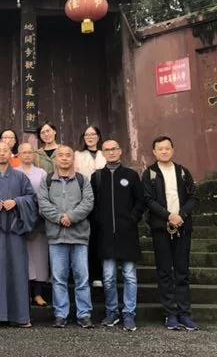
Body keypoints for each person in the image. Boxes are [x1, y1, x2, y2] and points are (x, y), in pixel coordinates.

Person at [0, 141, 38, 328]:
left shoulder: (20, 177)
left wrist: (17, 202)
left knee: (17, 270)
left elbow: (32, 199)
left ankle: (20, 316)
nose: (2, 154)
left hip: (14, 230)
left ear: (11, 154)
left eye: (5, 150)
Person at [142, 135, 199, 331]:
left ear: (173, 150)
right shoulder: (150, 173)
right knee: (165, 271)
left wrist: (181, 215)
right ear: (154, 152)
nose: (164, 151)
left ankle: (184, 313)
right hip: (161, 228)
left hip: (183, 226)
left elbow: (193, 197)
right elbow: (148, 199)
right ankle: (170, 314)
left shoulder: (183, 172)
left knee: (182, 271)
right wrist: (168, 216)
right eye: (160, 149)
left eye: (167, 148)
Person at [36, 145, 94, 328]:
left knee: (82, 278)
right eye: (60, 155)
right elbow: (43, 204)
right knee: (59, 278)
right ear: (56, 159)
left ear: (73, 158)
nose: (64, 158)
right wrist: (60, 218)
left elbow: (88, 202)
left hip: (79, 236)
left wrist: (72, 217)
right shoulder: (47, 181)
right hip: (56, 236)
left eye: (68, 155)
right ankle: (61, 314)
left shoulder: (82, 180)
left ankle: (84, 314)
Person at [91, 139, 144, 332]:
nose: (111, 152)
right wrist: (100, 221)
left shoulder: (131, 175)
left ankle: (129, 313)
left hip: (127, 233)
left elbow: (140, 201)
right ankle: (112, 311)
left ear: (120, 151)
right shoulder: (97, 176)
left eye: (114, 149)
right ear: (103, 153)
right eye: (107, 149)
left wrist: (132, 219)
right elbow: (92, 203)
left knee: (130, 276)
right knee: (108, 277)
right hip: (106, 235)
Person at [15, 142, 50, 307]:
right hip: (19, 221)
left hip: (38, 220)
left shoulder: (42, 173)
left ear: (34, 155)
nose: (27, 155)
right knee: (24, 258)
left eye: (30, 152)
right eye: (24, 152)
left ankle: (38, 293)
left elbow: (45, 196)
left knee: (39, 258)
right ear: (18, 155)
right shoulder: (14, 172)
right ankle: (24, 294)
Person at [74, 124, 107, 289]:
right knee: (88, 238)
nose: (90, 137)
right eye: (87, 134)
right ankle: (88, 274)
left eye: (93, 134)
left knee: (101, 237)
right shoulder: (77, 154)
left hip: (104, 200)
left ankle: (102, 274)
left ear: (98, 136)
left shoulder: (105, 153)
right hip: (84, 199)